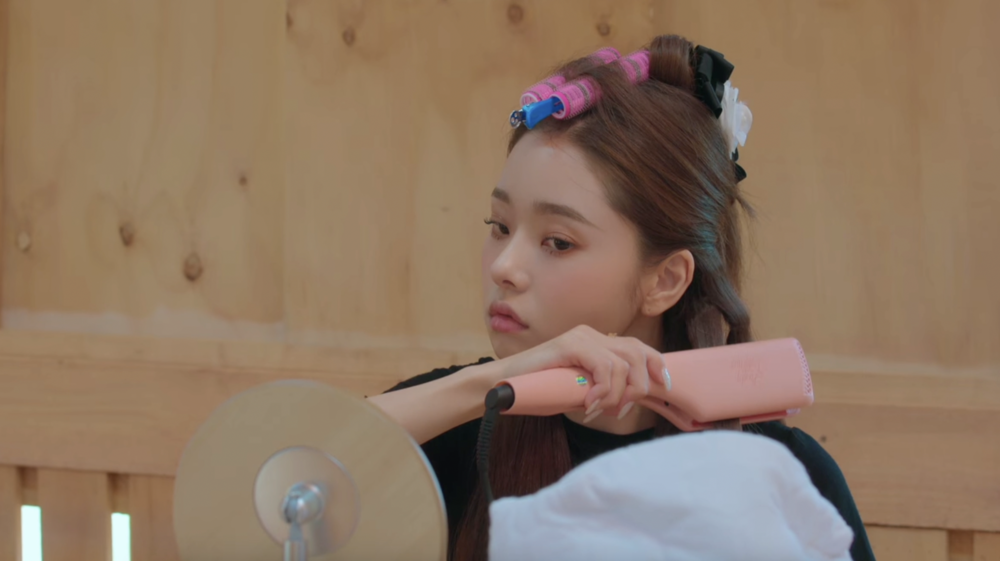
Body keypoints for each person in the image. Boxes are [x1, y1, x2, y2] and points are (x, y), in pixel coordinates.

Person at [368, 34, 875, 561]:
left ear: (665, 281)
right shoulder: (458, 423)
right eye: (499, 226)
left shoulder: (785, 482)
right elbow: (308, 459)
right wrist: (493, 384)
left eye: (558, 242)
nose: (503, 267)